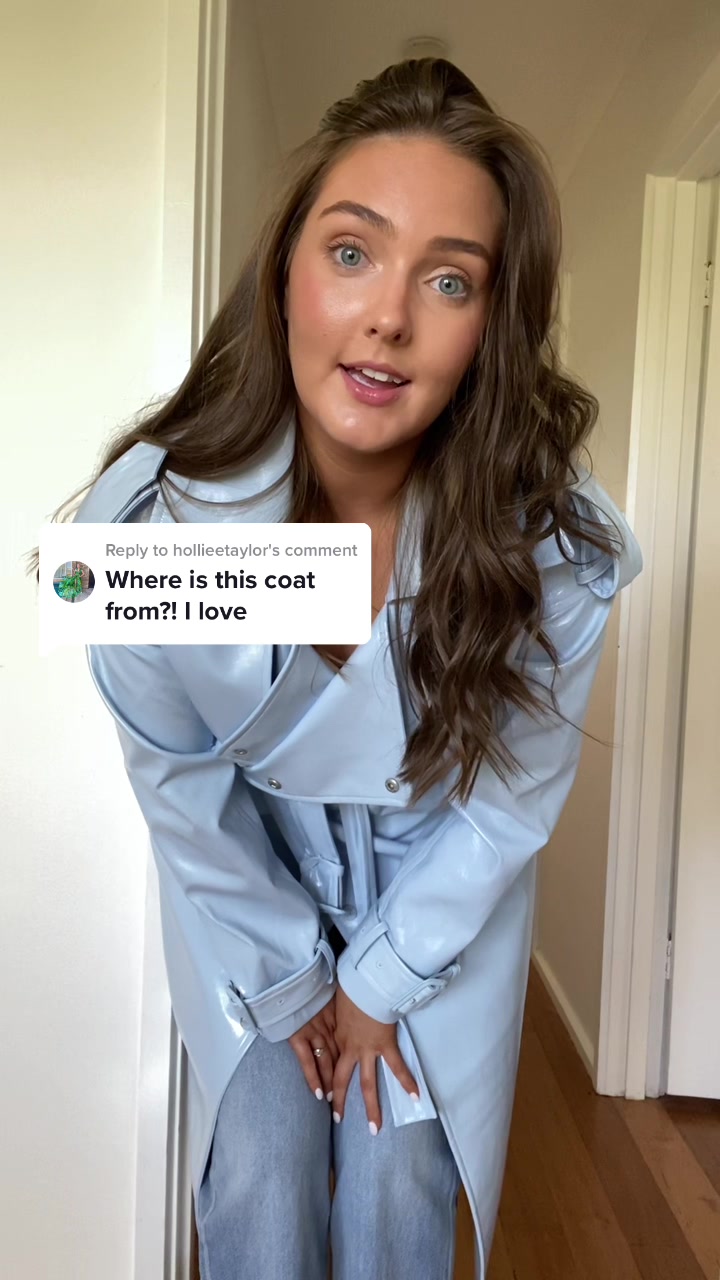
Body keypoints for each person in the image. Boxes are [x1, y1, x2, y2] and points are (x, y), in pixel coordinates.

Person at [68, 57, 641, 1280]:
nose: (389, 317)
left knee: (396, 1175)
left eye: (449, 279)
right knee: (263, 1166)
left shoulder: (556, 546)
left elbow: (507, 803)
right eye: (350, 251)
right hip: (245, 882)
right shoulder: (151, 525)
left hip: (438, 889)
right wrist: (292, 982)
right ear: (286, 270)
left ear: (492, 326)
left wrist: (379, 981)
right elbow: (181, 782)